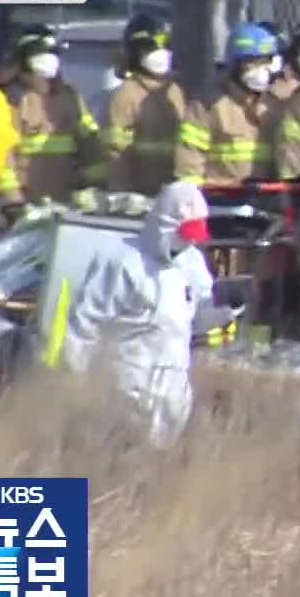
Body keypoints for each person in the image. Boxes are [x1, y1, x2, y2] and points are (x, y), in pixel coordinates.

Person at [59, 181, 247, 448]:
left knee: (153, 475)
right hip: (123, 392)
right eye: (185, 232)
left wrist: (226, 304)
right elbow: (85, 325)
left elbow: (197, 318)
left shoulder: (191, 263)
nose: (189, 241)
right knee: (114, 473)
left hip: (171, 396)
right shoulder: (123, 262)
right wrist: (75, 381)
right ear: (166, 223)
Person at [0, 23, 106, 223]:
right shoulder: (10, 102)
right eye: (40, 55)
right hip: (25, 207)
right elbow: (2, 157)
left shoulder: (70, 98)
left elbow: (91, 144)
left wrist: (95, 185)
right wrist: (13, 202)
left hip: (67, 206)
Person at [176, 22, 285, 185]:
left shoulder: (273, 104)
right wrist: (195, 200)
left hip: (266, 201)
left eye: (264, 62)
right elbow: (190, 160)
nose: (261, 70)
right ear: (234, 65)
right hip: (222, 201)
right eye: (252, 62)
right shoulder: (207, 105)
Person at [103, 14, 188, 198]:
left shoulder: (175, 91)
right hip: (139, 196)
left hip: (172, 193)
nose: (160, 53)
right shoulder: (126, 95)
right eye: (150, 48)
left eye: (164, 46)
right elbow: (115, 152)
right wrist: (121, 194)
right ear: (135, 54)